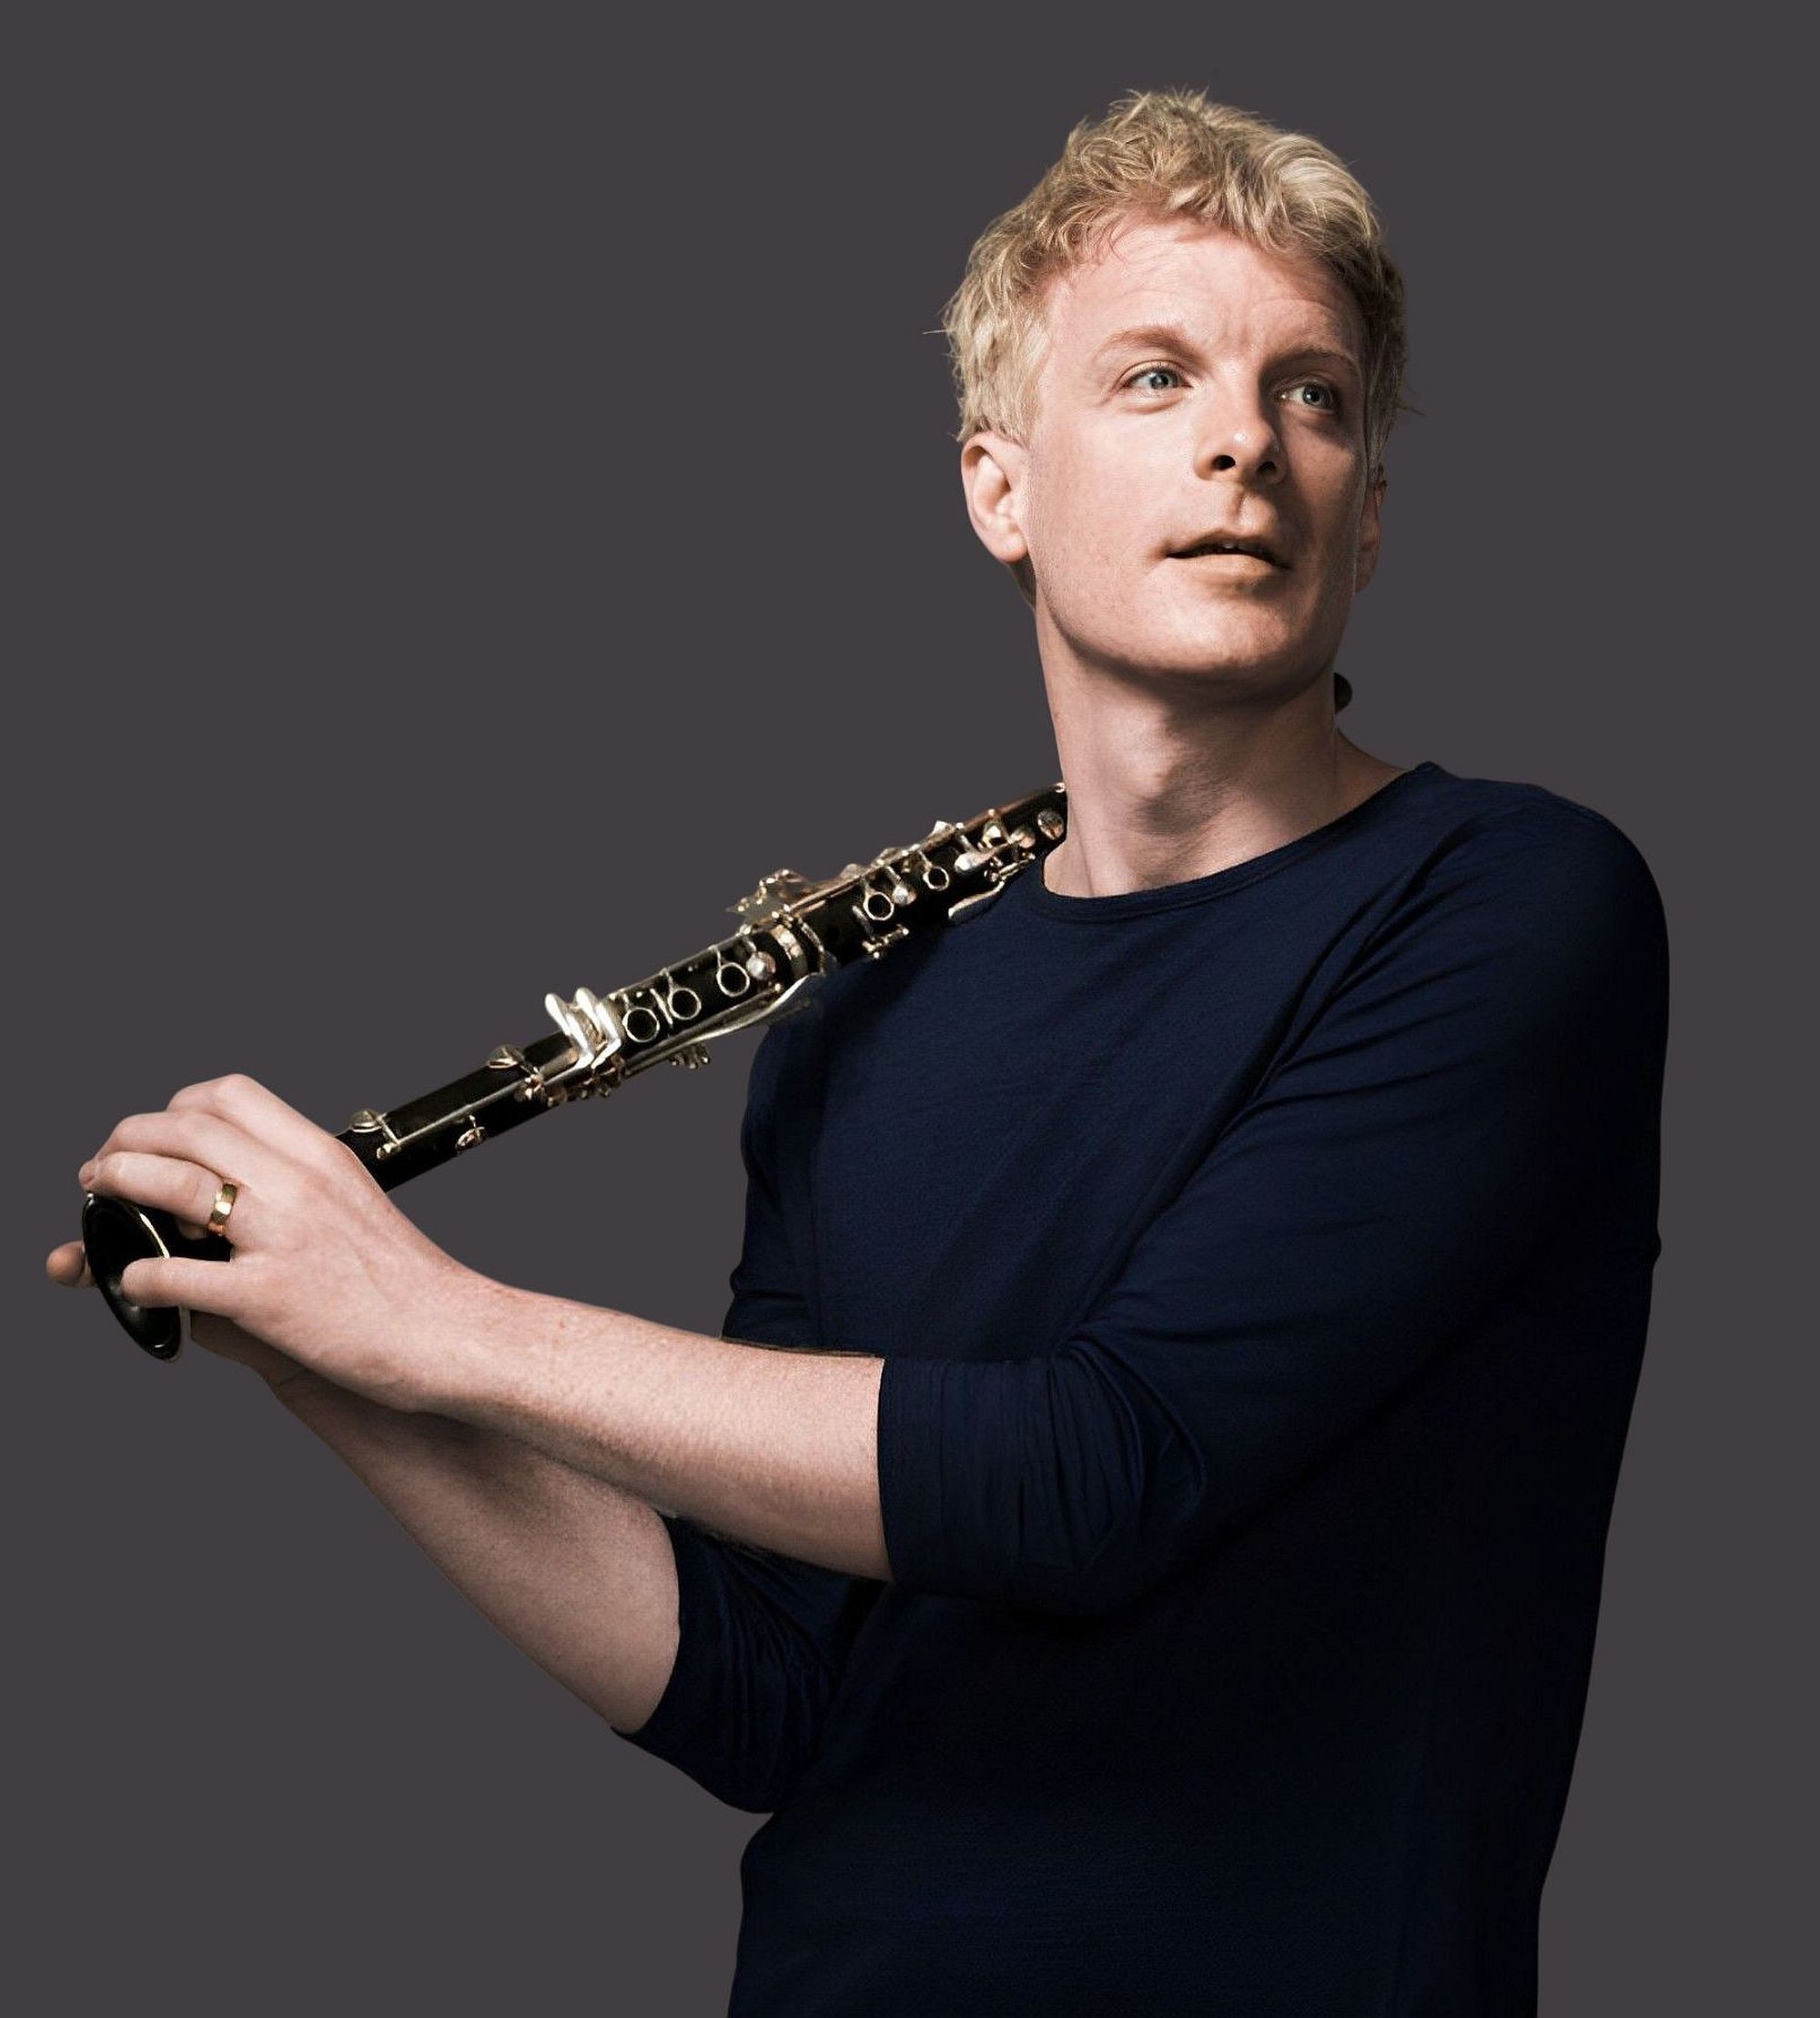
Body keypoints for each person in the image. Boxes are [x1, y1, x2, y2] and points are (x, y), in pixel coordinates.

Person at [48, 87, 1668, 2014]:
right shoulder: (865, 1016)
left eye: (1311, 394)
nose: (1245, 438)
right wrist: (317, 1339)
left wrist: (433, 1319)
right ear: (999, 486)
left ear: (1370, 510)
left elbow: (1103, 1470)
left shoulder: (1508, 903)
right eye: (1154, 377)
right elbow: (768, 1686)